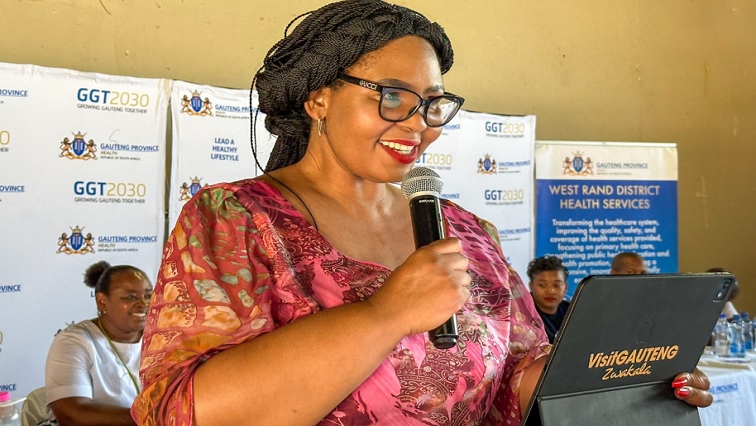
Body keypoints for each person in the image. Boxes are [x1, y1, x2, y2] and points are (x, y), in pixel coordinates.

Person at [132, 1, 712, 425]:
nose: (418, 124)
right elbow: (183, 411)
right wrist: (384, 315)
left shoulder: (468, 233)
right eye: (392, 96)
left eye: (432, 104)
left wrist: (627, 379)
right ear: (318, 98)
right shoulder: (234, 219)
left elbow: (514, 381)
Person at [43, 261, 152, 426]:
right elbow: (72, 414)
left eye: (148, 296)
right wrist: (154, 419)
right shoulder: (74, 341)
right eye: (131, 297)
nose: (143, 303)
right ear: (102, 301)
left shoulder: (163, 339)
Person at [527, 256, 569, 344]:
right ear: (531, 286)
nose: (550, 291)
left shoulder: (571, 310)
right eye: (542, 285)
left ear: (565, 287)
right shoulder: (522, 313)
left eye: (557, 285)